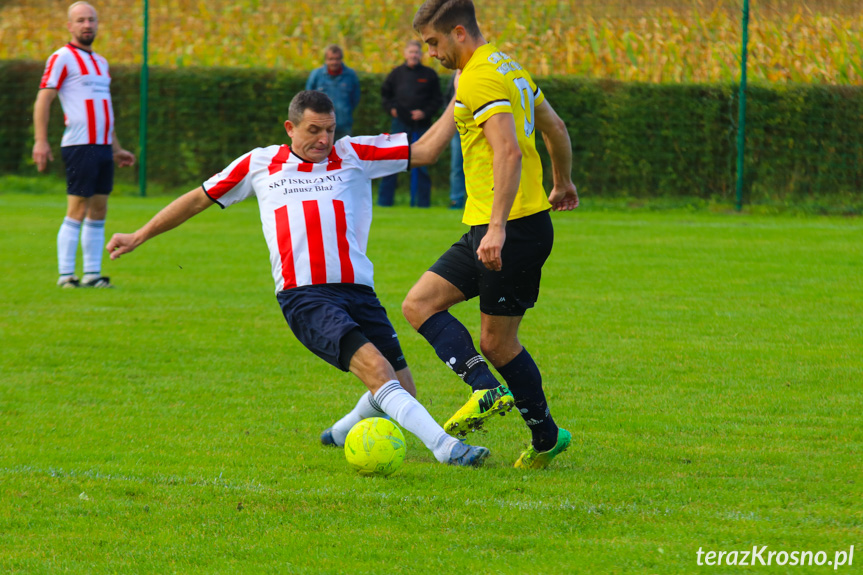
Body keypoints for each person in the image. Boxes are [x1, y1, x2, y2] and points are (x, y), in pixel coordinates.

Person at [105, 90, 490, 468]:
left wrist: (458, 98)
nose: (324, 140)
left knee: (401, 389)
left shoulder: (352, 153)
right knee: (377, 370)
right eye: (313, 131)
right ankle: (447, 448)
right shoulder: (260, 163)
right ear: (290, 127)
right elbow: (197, 198)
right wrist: (139, 235)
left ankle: (342, 432)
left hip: (359, 292)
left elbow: (425, 152)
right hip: (305, 297)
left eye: (330, 130)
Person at [403, 0, 580, 470]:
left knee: (498, 343)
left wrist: (498, 228)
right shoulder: (508, 66)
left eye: (435, 42)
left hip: (511, 228)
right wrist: (562, 181)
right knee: (418, 304)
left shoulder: (481, 77)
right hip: (492, 224)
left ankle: (545, 437)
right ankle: (487, 390)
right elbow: (555, 127)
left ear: (459, 32)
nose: (433, 53)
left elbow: (508, 152)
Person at [33, 1, 135, 289]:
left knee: (99, 209)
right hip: (79, 145)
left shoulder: (101, 63)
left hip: (102, 146)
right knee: (77, 208)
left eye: (91, 20)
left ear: (97, 24)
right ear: (70, 26)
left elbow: (104, 110)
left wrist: (116, 148)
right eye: (80, 20)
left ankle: (92, 275)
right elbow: (44, 99)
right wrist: (41, 140)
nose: (87, 25)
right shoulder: (61, 57)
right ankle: (66, 275)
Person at [377, 39, 443, 208]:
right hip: (400, 124)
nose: (414, 55)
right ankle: (384, 202)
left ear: (421, 55)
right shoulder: (396, 74)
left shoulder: (430, 75)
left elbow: (437, 100)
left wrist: (424, 113)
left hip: (422, 126)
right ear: (405, 54)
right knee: (392, 161)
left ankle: (423, 204)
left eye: (417, 52)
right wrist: (391, 109)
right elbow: (385, 95)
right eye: (411, 52)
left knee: (422, 164)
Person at [305, 44, 361, 141]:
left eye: (337, 59)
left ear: (341, 59)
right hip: (321, 126)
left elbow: (355, 98)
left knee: (344, 153)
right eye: (331, 59)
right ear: (326, 60)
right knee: (321, 154)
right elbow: (308, 99)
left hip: (343, 125)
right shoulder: (316, 75)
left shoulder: (350, 75)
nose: (334, 62)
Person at [445, 73, 466, 210]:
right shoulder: (455, 76)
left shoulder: (483, 72)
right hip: (459, 128)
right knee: (457, 166)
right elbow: (447, 98)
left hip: (479, 126)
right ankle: (456, 201)